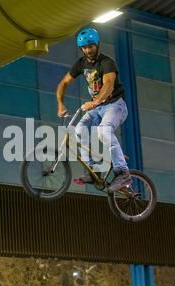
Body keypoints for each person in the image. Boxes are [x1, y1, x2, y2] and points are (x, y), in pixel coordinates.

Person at [56, 27, 131, 193]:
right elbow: (63, 84)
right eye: (84, 48)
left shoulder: (106, 62)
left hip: (115, 105)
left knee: (104, 131)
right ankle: (93, 170)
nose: (88, 50)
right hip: (97, 107)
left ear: (97, 44)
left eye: (90, 46)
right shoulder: (81, 64)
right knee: (79, 130)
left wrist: (96, 101)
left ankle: (123, 172)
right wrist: (60, 104)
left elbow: (109, 85)